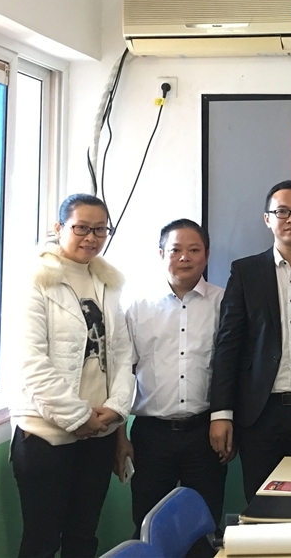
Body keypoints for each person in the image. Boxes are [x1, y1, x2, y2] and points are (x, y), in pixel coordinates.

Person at [9, 193, 133, 558]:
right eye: (82, 228)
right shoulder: (36, 279)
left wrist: (116, 409)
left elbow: (122, 355)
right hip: (45, 435)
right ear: (59, 227)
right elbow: (31, 362)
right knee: (42, 541)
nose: (91, 238)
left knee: (83, 537)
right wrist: (78, 417)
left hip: (98, 433)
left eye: (100, 230)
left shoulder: (108, 282)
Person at [209, 180, 291, 503]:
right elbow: (228, 345)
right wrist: (221, 413)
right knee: (261, 507)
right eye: (282, 211)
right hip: (259, 415)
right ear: (267, 219)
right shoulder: (245, 272)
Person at [115, 219, 225, 550]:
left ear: (207, 254)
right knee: (146, 526)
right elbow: (123, 372)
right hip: (151, 436)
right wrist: (120, 436)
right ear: (161, 254)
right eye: (176, 250)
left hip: (205, 433)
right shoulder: (137, 306)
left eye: (194, 250)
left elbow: (232, 370)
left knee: (204, 527)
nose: (185, 257)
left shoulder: (223, 303)